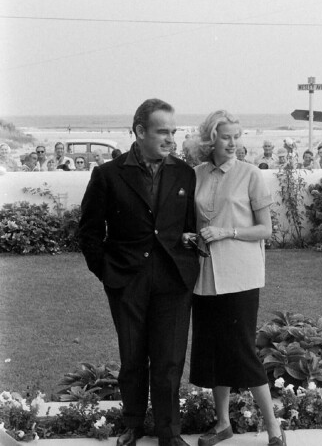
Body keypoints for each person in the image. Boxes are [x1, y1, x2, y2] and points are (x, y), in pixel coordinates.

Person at [79, 98, 199, 446]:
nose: (171, 139)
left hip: (174, 280)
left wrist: (186, 262)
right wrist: (108, 273)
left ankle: (169, 432)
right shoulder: (108, 174)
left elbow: (187, 227)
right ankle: (133, 425)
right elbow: (88, 233)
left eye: (174, 132)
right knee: (132, 358)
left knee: (169, 359)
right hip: (126, 280)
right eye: (163, 131)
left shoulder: (184, 173)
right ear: (140, 131)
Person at [184, 110, 286, 446]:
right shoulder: (195, 174)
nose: (233, 143)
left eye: (236, 136)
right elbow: (193, 220)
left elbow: (266, 230)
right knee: (214, 350)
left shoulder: (251, 174)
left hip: (240, 277)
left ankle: (273, 429)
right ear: (211, 139)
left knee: (241, 350)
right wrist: (190, 235)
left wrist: (227, 231)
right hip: (204, 276)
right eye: (226, 136)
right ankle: (223, 424)